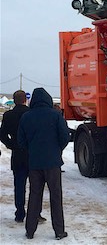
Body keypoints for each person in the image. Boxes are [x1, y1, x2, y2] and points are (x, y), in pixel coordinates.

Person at [18, 88, 70, 240]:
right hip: (53, 163)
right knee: (55, 196)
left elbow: (21, 141)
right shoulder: (55, 115)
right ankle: (59, 231)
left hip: (34, 163)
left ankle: (30, 230)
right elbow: (65, 136)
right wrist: (57, 149)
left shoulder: (26, 117)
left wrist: (32, 150)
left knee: (34, 196)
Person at [0, 90, 46, 224]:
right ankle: (36, 213)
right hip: (33, 155)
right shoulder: (32, 114)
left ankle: (19, 213)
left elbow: (2, 134)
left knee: (19, 185)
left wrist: (11, 145)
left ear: (14, 101)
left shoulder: (8, 115)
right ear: (25, 100)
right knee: (36, 187)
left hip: (18, 155)